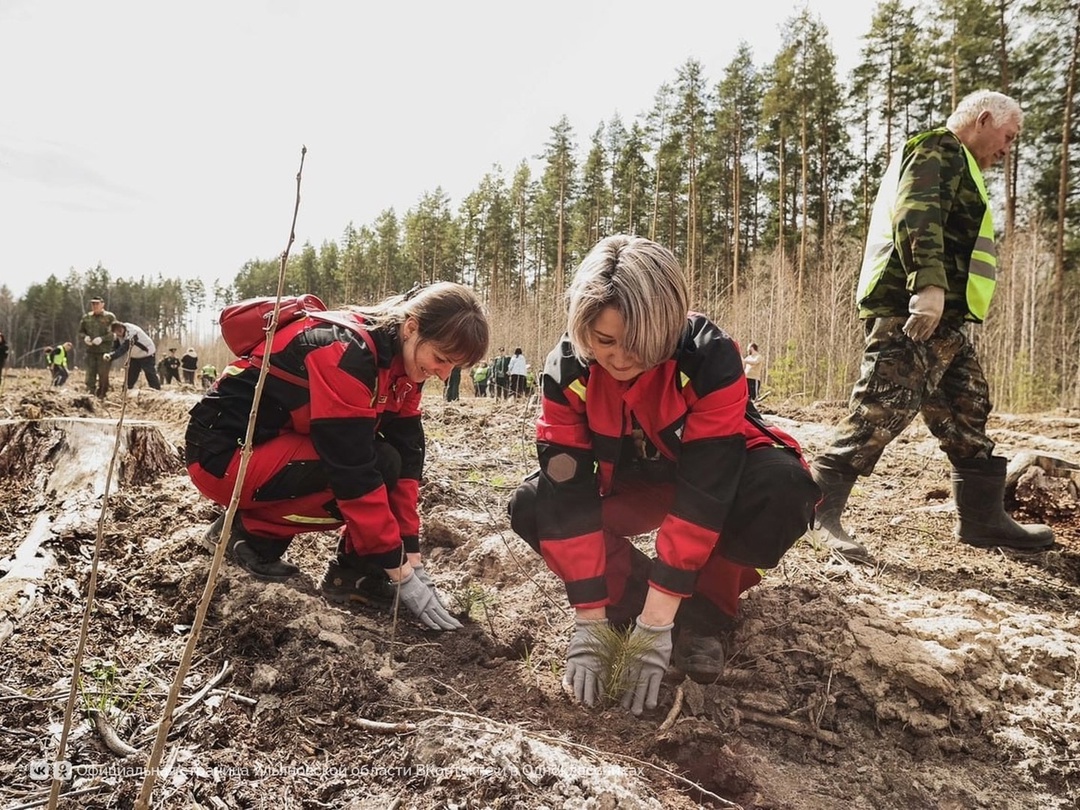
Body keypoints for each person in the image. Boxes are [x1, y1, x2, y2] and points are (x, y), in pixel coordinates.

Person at [508, 235, 819, 715]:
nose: (620, 359)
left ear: (667, 324)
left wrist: (659, 625)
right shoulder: (567, 369)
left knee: (781, 488)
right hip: (632, 482)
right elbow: (568, 495)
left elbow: (705, 494)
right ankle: (626, 602)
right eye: (605, 341)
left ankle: (703, 612)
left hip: (709, 477)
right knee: (534, 505)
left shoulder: (710, 357)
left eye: (639, 343)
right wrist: (589, 617)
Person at [811, 90, 1054, 565]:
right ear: (984, 119)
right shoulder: (938, 149)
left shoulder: (961, 164)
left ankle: (982, 519)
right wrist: (927, 286)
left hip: (948, 320)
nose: (1008, 149)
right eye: (1008, 137)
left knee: (969, 409)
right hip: (915, 309)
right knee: (881, 408)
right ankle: (816, 511)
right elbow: (917, 214)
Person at [185, 282, 489, 632]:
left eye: (455, 367)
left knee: (388, 463)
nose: (444, 374)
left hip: (279, 446)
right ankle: (247, 535)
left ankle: (355, 575)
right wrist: (401, 574)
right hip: (222, 457)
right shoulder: (346, 352)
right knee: (360, 475)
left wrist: (412, 553)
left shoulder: (404, 365)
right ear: (411, 328)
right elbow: (352, 471)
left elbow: (407, 461)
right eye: (441, 359)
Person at [104, 322, 162, 390]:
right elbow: (116, 346)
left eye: (119, 332)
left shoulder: (133, 332)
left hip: (147, 354)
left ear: (122, 328)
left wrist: (112, 356)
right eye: (116, 333)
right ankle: (126, 392)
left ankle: (157, 390)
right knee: (131, 376)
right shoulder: (118, 334)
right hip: (134, 356)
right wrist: (110, 354)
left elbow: (124, 348)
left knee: (150, 374)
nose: (118, 335)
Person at [77, 297, 115, 398]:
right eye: (93, 304)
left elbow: (115, 333)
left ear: (103, 304)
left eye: (97, 304)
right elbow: (80, 332)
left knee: (103, 376)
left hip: (104, 352)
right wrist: (85, 338)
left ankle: (102, 396)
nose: (95, 306)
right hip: (90, 351)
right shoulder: (86, 318)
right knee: (90, 375)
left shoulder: (109, 317)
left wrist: (102, 339)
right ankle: (90, 396)